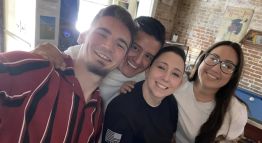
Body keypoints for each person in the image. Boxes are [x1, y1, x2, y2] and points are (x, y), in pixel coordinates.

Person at [0, 5, 136, 143]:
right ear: (83, 35)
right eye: (101, 34)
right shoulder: (38, 69)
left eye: (120, 44)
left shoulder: (97, 112)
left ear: (123, 58)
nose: (108, 46)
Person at [33, 16, 166, 108]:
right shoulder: (85, 55)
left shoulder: (146, 78)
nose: (138, 61)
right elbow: (48, 59)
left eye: (148, 56)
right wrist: (41, 54)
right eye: (135, 48)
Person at [102, 46, 186, 143]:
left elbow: (171, 138)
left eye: (175, 74)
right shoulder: (119, 109)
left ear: (180, 83)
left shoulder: (171, 103)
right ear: (148, 70)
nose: (166, 78)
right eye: (161, 67)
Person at [173, 41, 248, 142]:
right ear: (202, 59)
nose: (216, 69)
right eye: (213, 58)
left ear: (233, 76)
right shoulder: (177, 80)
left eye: (228, 66)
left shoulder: (236, 112)